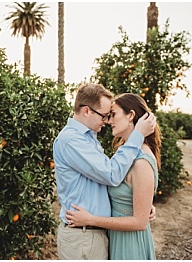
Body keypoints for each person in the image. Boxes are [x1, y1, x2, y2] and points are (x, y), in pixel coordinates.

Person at [52, 83, 156, 260]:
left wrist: (139, 202)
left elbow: (106, 181)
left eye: (111, 115)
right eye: (104, 115)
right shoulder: (72, 141)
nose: (107, 121)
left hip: (94, 235)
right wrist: (137, 135)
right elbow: (111, 174)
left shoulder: (89, 138)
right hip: (83, 237)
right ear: (86, 111)